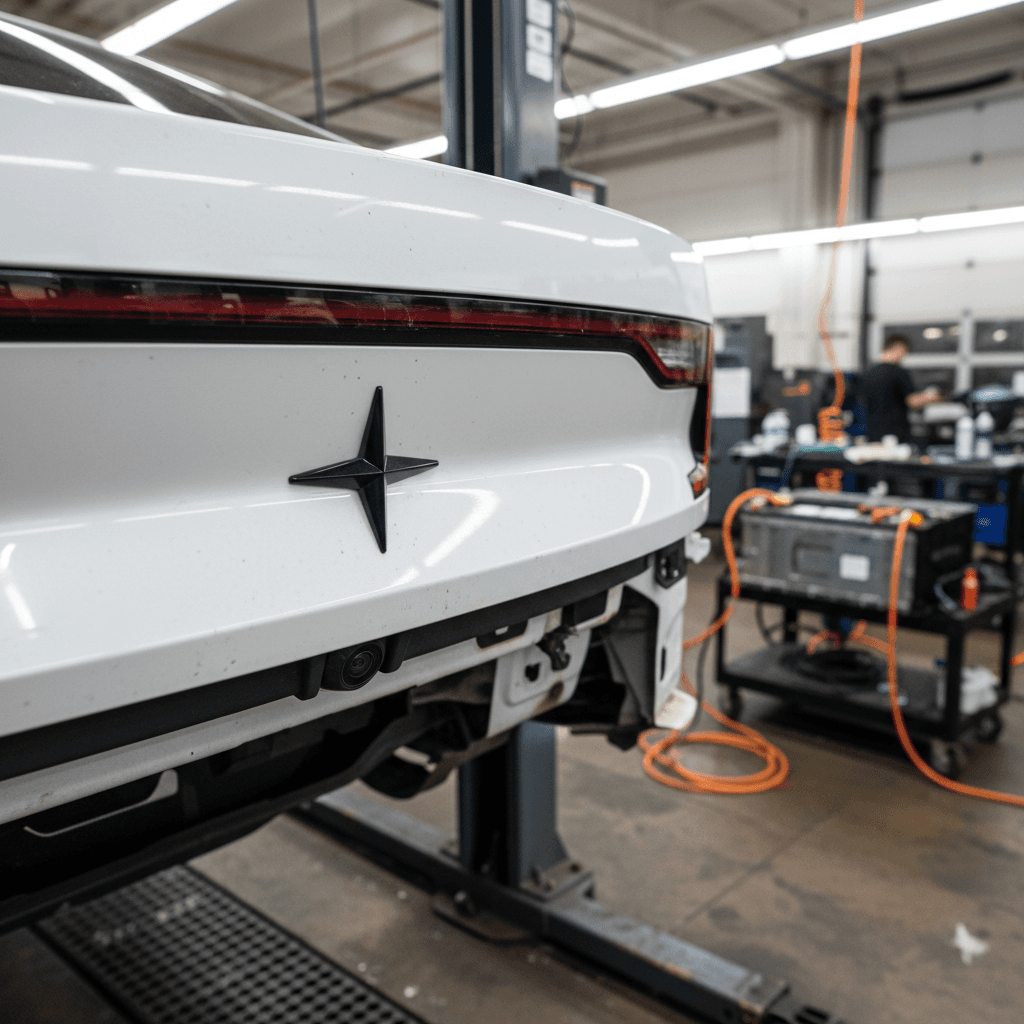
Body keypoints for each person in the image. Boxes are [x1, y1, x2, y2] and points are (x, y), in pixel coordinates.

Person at [860, 334, 940, 444]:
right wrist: (929, 397)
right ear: (898, 348)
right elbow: (912, 402)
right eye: (904, 352)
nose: (904, 356)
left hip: (872, 433)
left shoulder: (869, 373)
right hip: (895, 434)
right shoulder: (898, 372)